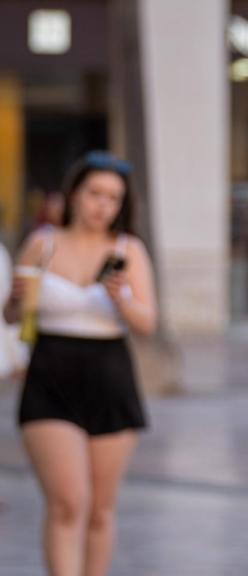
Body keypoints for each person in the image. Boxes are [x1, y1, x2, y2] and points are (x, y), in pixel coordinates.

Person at [5, 151, 157, 576]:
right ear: (74, 193)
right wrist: (16, 299)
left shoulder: (129, 250)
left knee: (100, 510)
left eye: (114, 198)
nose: (103, 205)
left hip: (110, 378)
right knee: (69, 501)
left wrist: (121, 298)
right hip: (49, 376)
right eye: (95, 193)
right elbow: (14, 319)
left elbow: (148, 323)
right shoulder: (42, 243)